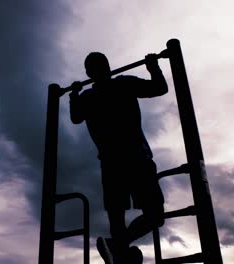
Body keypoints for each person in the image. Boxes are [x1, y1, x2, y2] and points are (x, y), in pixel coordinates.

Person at [69, 52, 168, 263]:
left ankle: (118, 249)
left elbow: (75, 117)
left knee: (117, 216)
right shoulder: (123, 84)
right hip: (135, 158)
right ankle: (119, 248)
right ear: (108, 66)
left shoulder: (87, 97)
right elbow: (160, 88)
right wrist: (153, 67)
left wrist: (73, 95)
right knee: (154, 215)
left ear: (88, 73)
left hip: (111, 163)